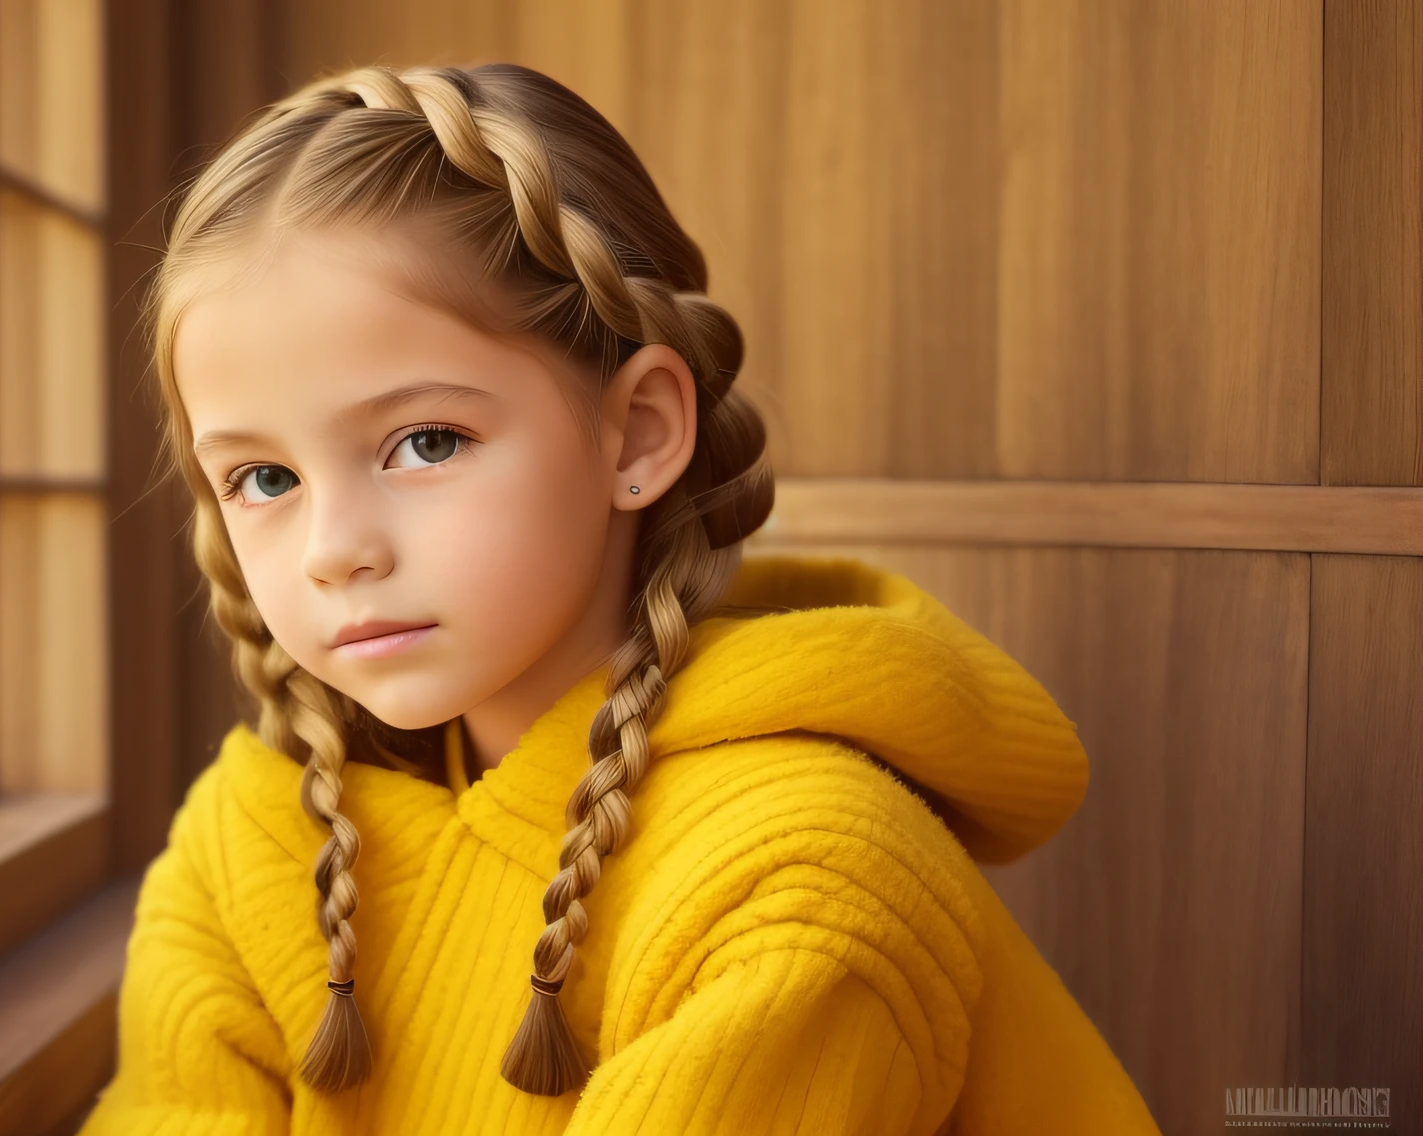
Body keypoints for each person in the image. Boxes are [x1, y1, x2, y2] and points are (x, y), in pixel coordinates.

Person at [78, 61, 1161, 1135]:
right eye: (262, 478)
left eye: (424, 441)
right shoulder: (256, 837)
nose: (332, 549)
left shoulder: (803, 875)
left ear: (636, 431)